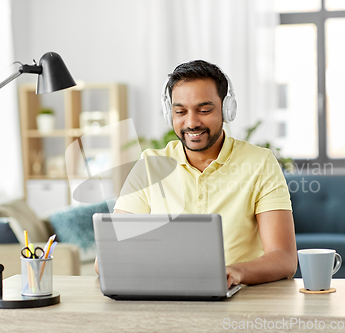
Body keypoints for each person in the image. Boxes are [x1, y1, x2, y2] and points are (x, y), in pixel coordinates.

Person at [95, 60, 297, 287]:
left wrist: (234, 272)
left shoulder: (260, 163)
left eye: (204, 110)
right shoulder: (150, 166)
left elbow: (285, 258)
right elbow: (106, 257)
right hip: (165, 298)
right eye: (180, 111)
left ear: (227, 109)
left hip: (241, 300)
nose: (191, 123)